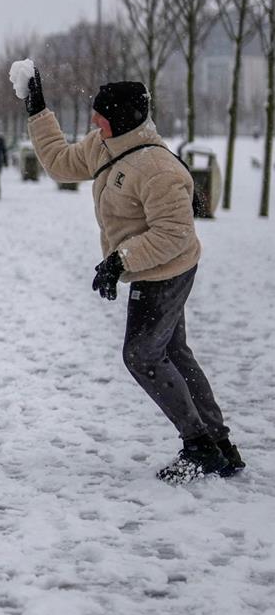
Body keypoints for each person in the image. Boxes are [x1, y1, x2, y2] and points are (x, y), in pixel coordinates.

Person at [22, 69, 244, 485]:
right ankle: (220, 445)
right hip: (147, 265)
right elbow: (59, 164)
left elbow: (175, 233)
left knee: (142, 354)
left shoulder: (157, 168)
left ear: (120, 119)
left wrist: (119, 261)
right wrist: (38, 110)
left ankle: (200, 446)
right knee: (173, 352)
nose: (93, 122)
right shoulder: (105, 145)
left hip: (167, 270)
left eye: (100, 116)